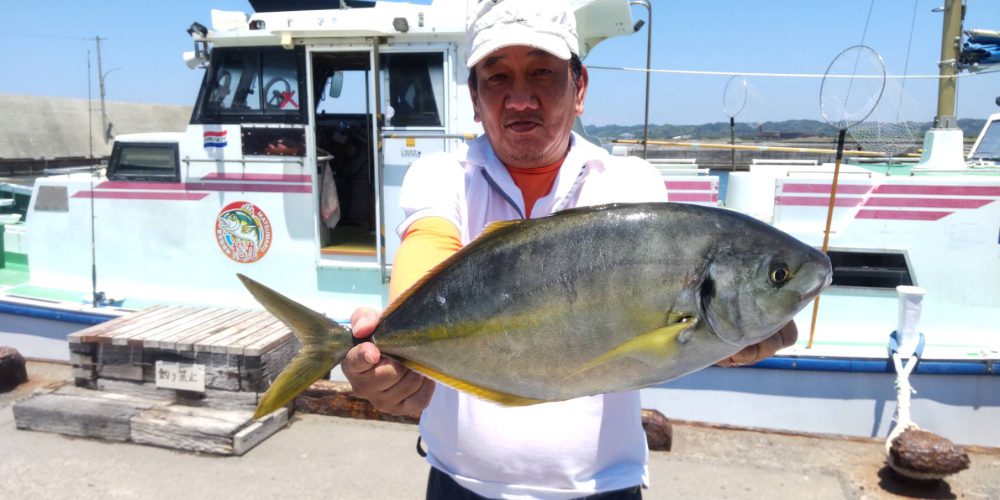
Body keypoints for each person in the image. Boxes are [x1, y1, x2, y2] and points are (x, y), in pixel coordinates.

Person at [343, 1, 798, 498]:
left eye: (542, 72)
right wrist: (390, 357)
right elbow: (428, 246)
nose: (520, 99)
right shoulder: (442, 175)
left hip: (603, 487)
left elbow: (662, 335)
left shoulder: (630, 187)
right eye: (497, 77)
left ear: (579, 88)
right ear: (474, 98)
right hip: (459, 483)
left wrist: (729, 344)